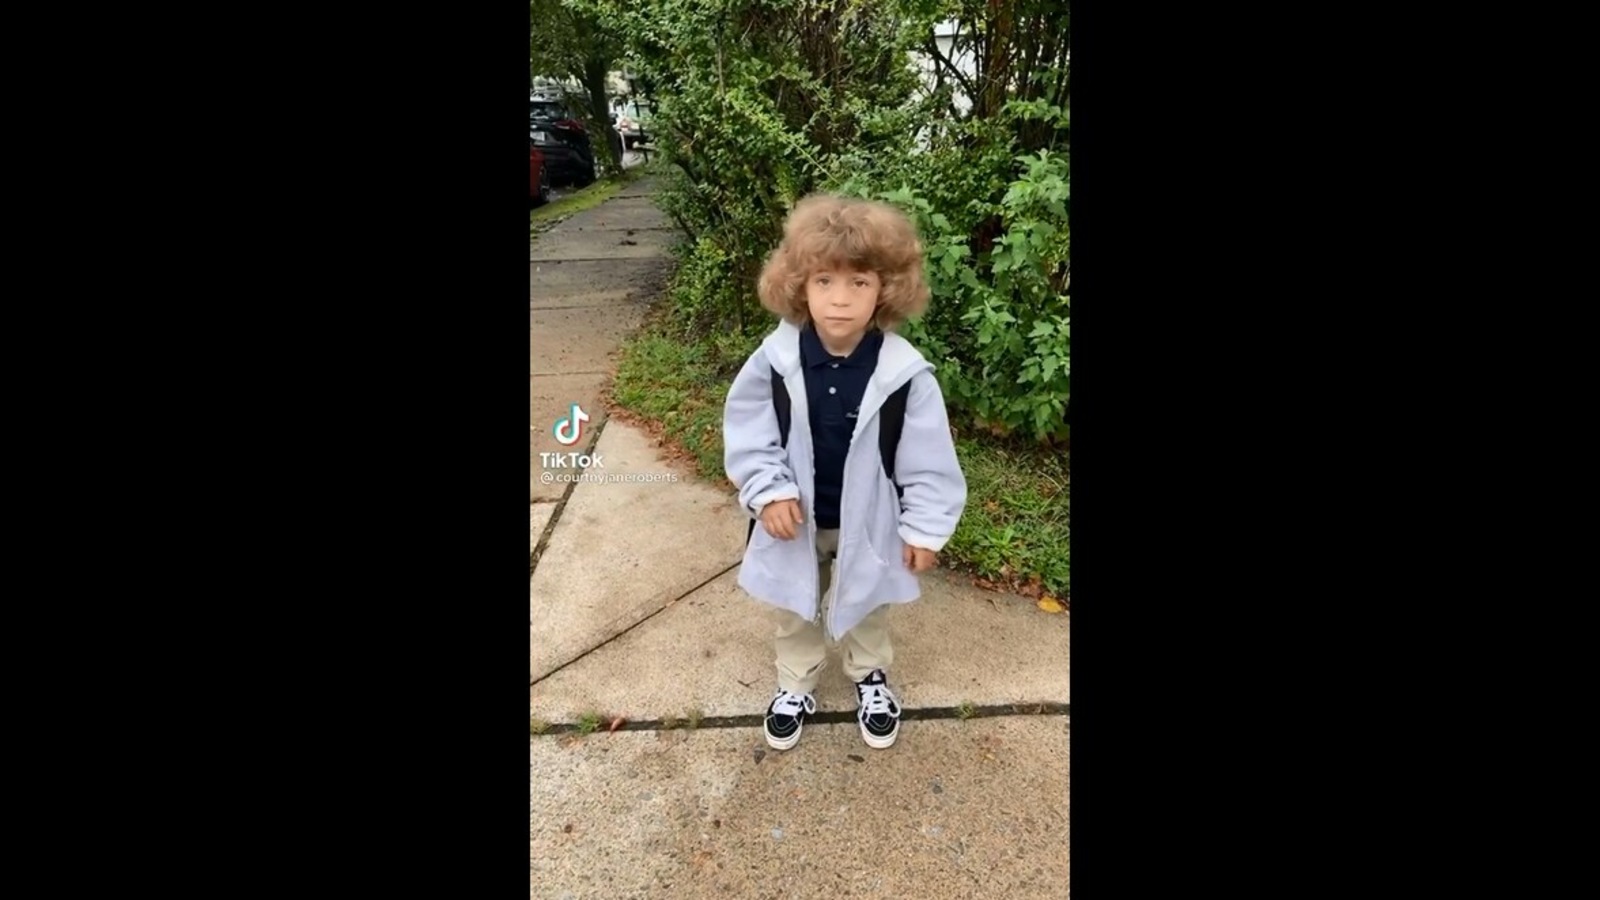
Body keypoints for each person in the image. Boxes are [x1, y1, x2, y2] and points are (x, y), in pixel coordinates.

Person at [723, 194, 968, 751]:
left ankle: (870, 675)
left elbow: (928, 459)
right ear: (798, 286)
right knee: (794, 605)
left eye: (859, 283)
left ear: (885, 289)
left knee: (869, 601)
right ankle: (795, 682)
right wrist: (768, 491)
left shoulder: (906, 376)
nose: (840, 300)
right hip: (795, 518)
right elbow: (748, 434)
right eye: (824, 281)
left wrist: (924, 529)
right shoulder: (774, 362)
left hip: (870, 518)